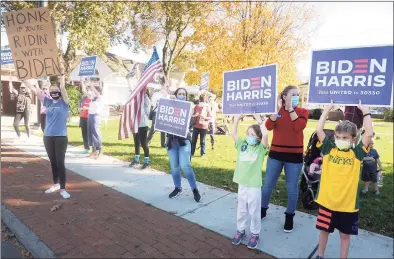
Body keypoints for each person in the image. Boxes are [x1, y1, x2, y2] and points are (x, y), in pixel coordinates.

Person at [314, 101, 373, 259]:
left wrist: (365, 112)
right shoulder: (328, 149)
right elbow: (318, 129)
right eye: (338, 136)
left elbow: (368, 134)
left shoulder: (357, 153)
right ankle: (320, 255)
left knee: (344, 236)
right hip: (327, 202)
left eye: (345, 137)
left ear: (353, 139)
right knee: (324, 231)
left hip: (347, 206)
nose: (340, 139)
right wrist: (326, 110)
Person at [261, 85, 309, 233]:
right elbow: (268, 126)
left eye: (298, 94)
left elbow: (299, 126)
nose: (296, 97)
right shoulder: (277, 111)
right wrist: (276, 111)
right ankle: (262, 209)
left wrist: (290, 109)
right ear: (284, 96)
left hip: (294, 156)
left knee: (292, 188)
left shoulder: (302, 111)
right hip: (276, 154)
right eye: (293, 94)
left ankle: (289, 216)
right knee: (268, 184)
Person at [23, 73, 71, 199]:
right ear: (50, 92)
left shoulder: (64, 103)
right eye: (52, 90)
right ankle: (55, 184)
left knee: (60, 162)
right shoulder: (48, 102)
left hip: (61, 137)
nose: (54, 91)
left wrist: (61, 79)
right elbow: (35, 90)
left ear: (59, 91)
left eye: (56, 90)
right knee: (53, 162)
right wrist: (24, 79)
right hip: (48, 136)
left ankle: (63, 189)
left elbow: (64, 90)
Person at [230, 114, 268, 249]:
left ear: (258, 137)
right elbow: (233, 132)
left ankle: (255, 234)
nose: (249, 136)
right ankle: (240, 230)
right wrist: (237, 119)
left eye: (252, 134)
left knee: (254, 210)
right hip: (242, 182)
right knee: (241, 209)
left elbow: (265, 135)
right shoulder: (242, 145)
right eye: (248, 133)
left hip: (254, 184)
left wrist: (259, 119)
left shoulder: (261, 149)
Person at [166, 88, 201, 202]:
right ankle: (178, 188)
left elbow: (189, 114)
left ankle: (194, 189)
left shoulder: (188, 106)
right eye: (179, 94)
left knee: (185, 166)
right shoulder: (169, 106)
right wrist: (168, 101)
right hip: (172, 141)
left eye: (183, 94)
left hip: (184, 140)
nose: (181, 95)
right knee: (174, 167)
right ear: (175, 95)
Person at [129, 92, 151, 169]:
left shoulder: (146, 99)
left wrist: (143, 94)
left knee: (144, 143)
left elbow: (147, 110)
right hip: (136, 124)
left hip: (143, 124)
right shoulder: (136, 99)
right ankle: (137, 159)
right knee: (136, 142)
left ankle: (146, 162)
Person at [87, 84, 104, 159]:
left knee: (96, 133)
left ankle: (100, 151)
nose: (92, 92)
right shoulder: (92, 98)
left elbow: (96, 92)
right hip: (90, 116)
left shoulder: (100, 98)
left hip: (96, 117)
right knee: (90, 133)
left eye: (93, 91)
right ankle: (94, 151)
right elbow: (85, 91)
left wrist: (91, 84)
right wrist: (83, 82)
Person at [79, 80, 92, 153]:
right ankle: (86, 148)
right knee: (84, 133)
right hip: (82, 117)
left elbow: (95, 109)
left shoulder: (93, 99)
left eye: (89, 90)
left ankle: (94, 148)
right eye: (87, 90)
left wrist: (86, 108)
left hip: (89, 118)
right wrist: (82, 82)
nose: (88, 92)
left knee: (90, 133)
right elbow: (80, 106)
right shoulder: (84, 98)